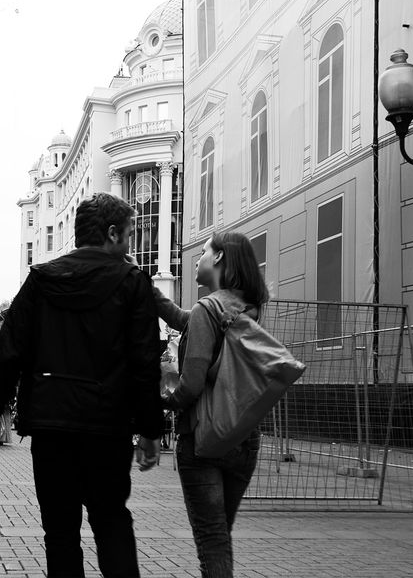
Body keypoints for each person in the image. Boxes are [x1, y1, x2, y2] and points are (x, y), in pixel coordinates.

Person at [0, 192, 163, 578]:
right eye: (128, 235)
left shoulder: (41, 281)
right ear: (112, 234)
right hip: (107, 427)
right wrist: (150, 430)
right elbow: (144, 363)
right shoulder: (132, 284)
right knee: (112, 524)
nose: (130, 246)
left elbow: (9, 350)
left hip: (52, 426)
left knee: (60, 533)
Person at [154, 232, 269, 577]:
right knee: (220, 536)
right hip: (243, 437)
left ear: (219, 258)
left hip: (204, 437)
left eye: (204, 251)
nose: (199, 257)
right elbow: (182, 320)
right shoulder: (247, 307)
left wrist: (163, 403)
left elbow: (190, 385)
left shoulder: (208, 309)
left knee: (212, 540)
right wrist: (152, 294)